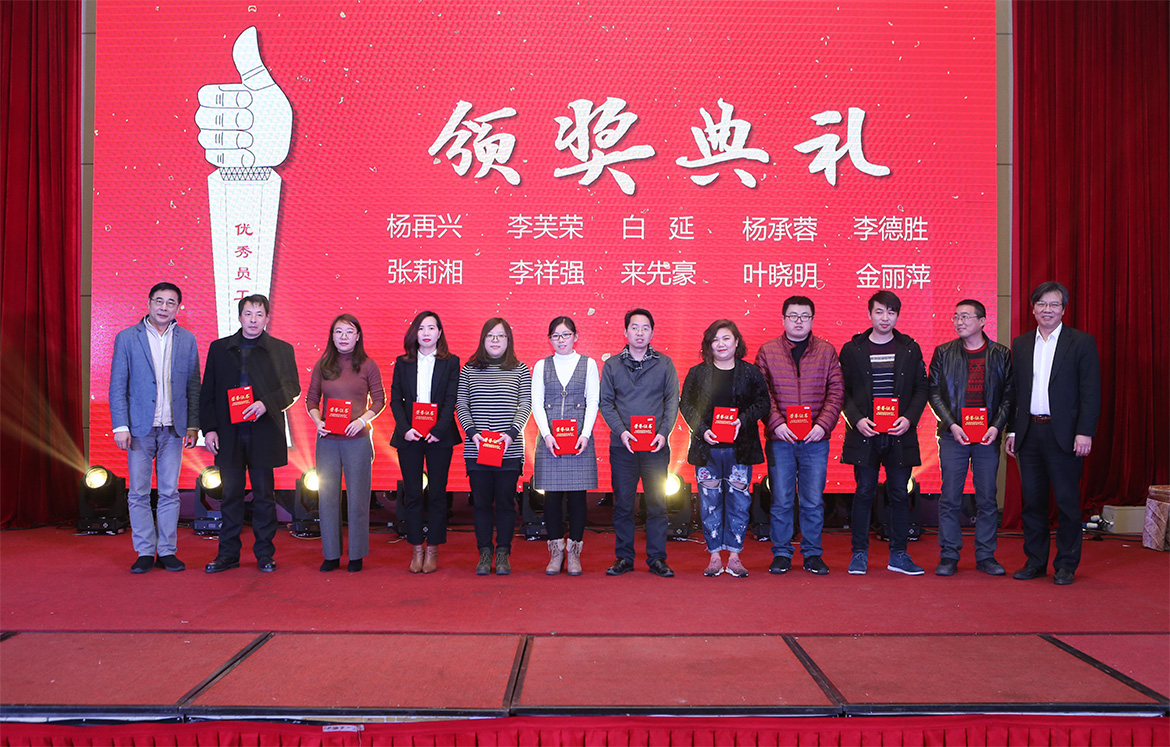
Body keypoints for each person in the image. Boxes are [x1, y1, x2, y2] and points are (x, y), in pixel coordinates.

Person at [1006, 281, 1100, 586]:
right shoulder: (1021, 344)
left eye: (1054, 305)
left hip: (1066, 435)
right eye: (1042, 304)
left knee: (1067, 503)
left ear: (1063, 309)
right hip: (1029, 433)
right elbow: (1015, 391)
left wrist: (1084, 432)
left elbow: (1090, 392)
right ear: (1033, 308)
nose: (1048, 310)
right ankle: (1035, 562)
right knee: (1033, 503)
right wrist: (1012, 430)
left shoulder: (1081, 342)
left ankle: (1066, 565)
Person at [200, 294, 300, 573]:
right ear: (239, 317)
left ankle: (265, 554)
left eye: (259, 314)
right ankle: (227, 554)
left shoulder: (281, 349)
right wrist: (209, 429)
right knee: (230, 495)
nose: (253, 320)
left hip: (263, 431)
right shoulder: (219, 348)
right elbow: (208, 392)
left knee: (264, 497)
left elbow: (292, 388)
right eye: (248, 313)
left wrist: (265, 404)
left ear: (267, 318)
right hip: (229, 433)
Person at [109, 282, 201, 573]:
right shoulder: (127, 338)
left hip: (174, 428)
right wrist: (120, 425)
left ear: (178, 307)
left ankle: (168, 550)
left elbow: (193, 386)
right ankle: (145, 551)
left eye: (170, 302)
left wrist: (193, 425)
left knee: (169, 492)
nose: (164, 307)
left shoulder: (187, 340)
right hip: (139, 428)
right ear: (148, 303)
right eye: (159, 301)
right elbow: (117, 386)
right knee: (138, 492)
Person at [839, 290, 929, 576]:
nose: (885, 318)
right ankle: (859, 554)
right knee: (864, 492)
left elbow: (922, 388)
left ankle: (899, 554)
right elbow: (842, 391)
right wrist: (856, 420)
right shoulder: (852, 349)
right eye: (879, 311)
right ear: (869, 314)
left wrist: (909, 419)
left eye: (891, 312)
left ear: (897, 316)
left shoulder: (910, 348)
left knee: (900, 493)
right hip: (865, 433)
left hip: (899, 433)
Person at [755, 296, 844, 576]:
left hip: (815, 440)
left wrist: (823, 425)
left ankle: (812, 554)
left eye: (804, 316)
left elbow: (836, 392)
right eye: (793, 316)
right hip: (781, 439)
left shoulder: (826, 351)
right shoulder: (768, 351)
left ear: (812, 320)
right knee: (781, 499)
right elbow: (762, 393)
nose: (798, 321)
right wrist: (777, 424)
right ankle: (781, 553)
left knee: (813, 501)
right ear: (783, 319)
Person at [927, 299, 1014, 576]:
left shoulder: (1000, 354)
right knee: (950, 497)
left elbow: (1009, 395)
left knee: (987, 498)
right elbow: (933, 392)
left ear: (982, 321)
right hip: (953, 436)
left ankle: (986, 555)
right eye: (956, 317)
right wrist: (952, 424)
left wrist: (997, 427)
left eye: (965, 316)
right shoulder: (944, 352)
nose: (959, 322)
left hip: (987, 436)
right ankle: (949, 555)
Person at [679, 320, 770, 577]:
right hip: (707, 449)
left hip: (740, 449)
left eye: (726, 338)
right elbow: (685, 404)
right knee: (709, 502)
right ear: (708, 344)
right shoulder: (698, 373)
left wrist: (743, 420)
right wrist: (702, 429)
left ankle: (735, 555)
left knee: (739, 502)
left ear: (736, 342)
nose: (721, 344)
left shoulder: (750, 372)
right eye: (715, 339)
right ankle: (714, 555)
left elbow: (763, 403)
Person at [599, 308, 680, 578]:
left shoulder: (664, 364)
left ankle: (657, 559)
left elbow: (672, 402)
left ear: (652, 332)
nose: (640, 332)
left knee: (657, 503)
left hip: (655, 447)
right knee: (623, 504)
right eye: (634, 327)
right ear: (625, 332)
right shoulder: (612, 365)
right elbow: (606, 404)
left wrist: (663, 433)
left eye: (645, 328)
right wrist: (622, 432)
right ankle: (624, 557)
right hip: (623, 447)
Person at [306, 314, 385, 573]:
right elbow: (311, 399)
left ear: (358, 336)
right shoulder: (322, 365)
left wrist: (361, 421)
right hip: (328, 440)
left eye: (349, 332)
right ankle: (331, 554)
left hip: (357, 440)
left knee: (358, 498)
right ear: (332, 336)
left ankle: (356, 555)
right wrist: (317, 421)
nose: (343, 337)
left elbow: (379, 400)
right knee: (327, 497)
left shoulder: (368, 365)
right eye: (338, 332)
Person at [456, 318, 532, 575]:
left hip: (509, 448)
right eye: (490, 335)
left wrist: (511, 434)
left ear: (508, 340)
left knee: (506, 503)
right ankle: (484, 552)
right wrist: (473, 433)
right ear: (483, 339)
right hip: (477, 448)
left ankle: (503, 553)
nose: (495, 340)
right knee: (481, 504)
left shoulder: (520, 369)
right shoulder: (469, 369)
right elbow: (462, 404)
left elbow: (526, 404)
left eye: (500, 335)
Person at [390, 311, 460, 574]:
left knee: (438, 494)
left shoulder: (451, 362)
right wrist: (405, 429)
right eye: (421, 328)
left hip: (439, 435)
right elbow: (395, 400)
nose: (426, 333)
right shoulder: (403, 362)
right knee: (413, 494)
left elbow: (451, 399)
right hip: (410, 435)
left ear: (439, 333)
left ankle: (433, 549)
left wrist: (439, 429)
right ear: (414, 333)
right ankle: (416, 548)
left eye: (431, 328)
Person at [531, 316, 599, 576]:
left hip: (579, 439)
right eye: (556, 336)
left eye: (566, 335)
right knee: (551, 497)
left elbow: (593, 401)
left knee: (578, 497)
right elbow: (537, 403)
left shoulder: (588, 364)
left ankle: (574, 552)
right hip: (550, 440)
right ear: (550, 339)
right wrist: (547, 435)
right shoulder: (541, 365)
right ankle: (556, 551)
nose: (561, 340)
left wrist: (585, 434)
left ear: (575, 337)